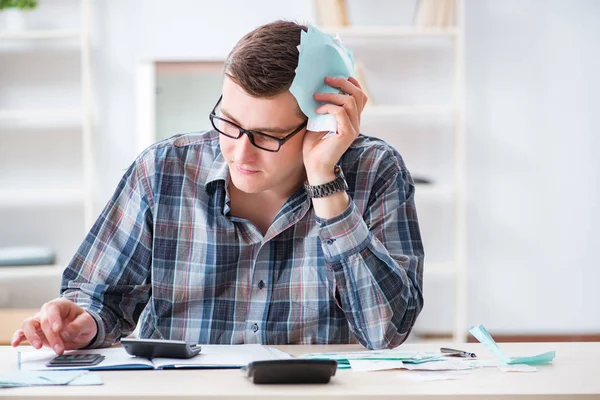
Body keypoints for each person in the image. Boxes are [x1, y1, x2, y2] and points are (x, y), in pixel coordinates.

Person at [12, 20, 424, 355]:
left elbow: (385, 332)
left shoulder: (375, 170)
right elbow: (99, 296)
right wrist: (85, 322)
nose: (240, 153)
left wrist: (326, 182)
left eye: (267, 135)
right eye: (229, 123)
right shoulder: (161, 170)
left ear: (323, 123)